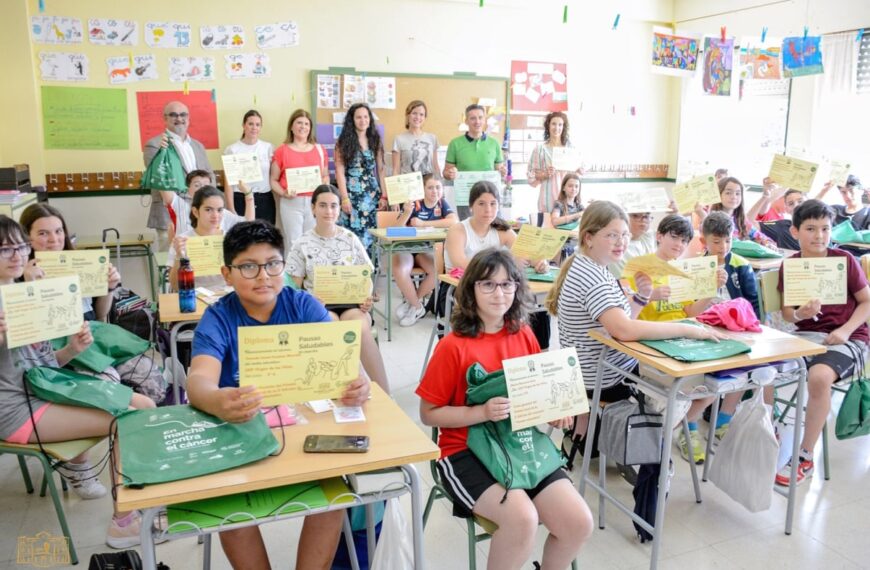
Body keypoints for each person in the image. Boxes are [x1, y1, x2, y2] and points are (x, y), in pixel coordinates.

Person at [187, 220, 371, 569]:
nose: (263, 276)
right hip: (242, 436)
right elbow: (198, 381)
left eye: (272, 264)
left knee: (333, 502)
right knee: (234, 518)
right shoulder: (218, 317)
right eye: (248, 267)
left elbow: (344, 363)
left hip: (304, 435)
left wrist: (357, 382)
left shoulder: (302, 305)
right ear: (227, 273)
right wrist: (217, 401)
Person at [418, 248, 593, 570]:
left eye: (507, 284)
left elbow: (534, 398)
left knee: (578, 522)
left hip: (518, 441)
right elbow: (428, 413)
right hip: (462, 450)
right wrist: (480, 413)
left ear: (518, 288)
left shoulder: (523, 333)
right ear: (470, 289)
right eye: (488, 285)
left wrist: (554, 413)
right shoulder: (452, 346)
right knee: (522, 520)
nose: (499, 293)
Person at [0, 215, 156, 548]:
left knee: (144, 405)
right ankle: (125, 520)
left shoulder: (25, 294)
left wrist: (73, 348)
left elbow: (43, 364)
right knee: (126, 419)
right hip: (15, 410)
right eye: (4, 249)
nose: (15, 256)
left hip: (44, 389)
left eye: (19, 247)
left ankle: (141, 502)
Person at [545, 202, 727, 460]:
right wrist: (687, 331)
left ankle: (648, 441)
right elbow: (624, 329)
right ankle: (652, 446)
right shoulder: (593, 277)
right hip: (605, 376)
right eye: (611, 235)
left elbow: (620, 320)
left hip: (601, 366)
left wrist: (642, 297)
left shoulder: (593, 267)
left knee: (692, 380)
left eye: (624, 235)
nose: (621, 242)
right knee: (697, 385)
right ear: (589, 237)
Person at [20, 203, 168, 405]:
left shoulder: (80, 264)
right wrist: (28, 286)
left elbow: (100, 315)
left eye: (58, 231)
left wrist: (108, 288)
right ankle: (115, 427)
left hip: (94, 342)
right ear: (28, 238)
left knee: (153, 381)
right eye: (43, 233)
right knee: (111, 386)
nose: (54, 239)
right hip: (60, 354)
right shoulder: (20, 277)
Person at [775, 199, 870, 486]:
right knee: (761, 367)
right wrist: (799, 313)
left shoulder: (844, 260)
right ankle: (770, 430)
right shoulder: (790, 266)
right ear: (795, 231)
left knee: (818, 378)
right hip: (804, 336)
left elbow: (866, 302)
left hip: (848, 338)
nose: (819, 235)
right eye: (811, 228)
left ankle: (804, 454)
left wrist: (845, 329)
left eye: (825, 229)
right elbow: (787, 313)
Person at [625, 214, 725, 464]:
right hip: (650, 340)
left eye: (684, 240)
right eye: (674, 237)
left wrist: (708, 290)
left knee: (714, 384)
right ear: (659, 236)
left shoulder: (683, 271)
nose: (679, 245)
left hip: (683, 335)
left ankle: (683, 423)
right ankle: (671, 432)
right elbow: (625, 312)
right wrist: (649, 295)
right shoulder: (638, 266)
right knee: (683, 386)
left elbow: (691, 313)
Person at [286, 185, 389, 393]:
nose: (328, 211)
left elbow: (365, 275)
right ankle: (341, 392)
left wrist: (367, 297)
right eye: (322, 205)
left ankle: (386, 394)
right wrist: (310, 300)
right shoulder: (302, 243)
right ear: (313, 208)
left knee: (358, 327)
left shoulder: (349, 238)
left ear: (339, 209)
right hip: (320, 306)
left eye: (333, 206)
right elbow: (293, 289)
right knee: (331, 326)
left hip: (352, 304)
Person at [445, 181, 551, 349]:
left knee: (530, 298)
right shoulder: (458, 230)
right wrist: (504, 267)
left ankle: (536, 349)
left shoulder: (502, 230)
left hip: (494, 287)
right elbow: (460, 262)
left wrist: (539, 261)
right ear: (471, 206)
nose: (488, 210)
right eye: (481, 203)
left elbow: (526, 253)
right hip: (461, 287)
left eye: (493, 204)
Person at [699, 211, 762, 442]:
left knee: (745, 367)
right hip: (704, 326)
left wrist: (754, 327)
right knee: (705, 373)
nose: (722, 246)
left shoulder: (740, 264)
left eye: (728, 240)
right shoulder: (696, 265)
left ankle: (723, 418)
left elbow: (752, 303)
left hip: (737, 327)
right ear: (703, 240)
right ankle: (694, 424)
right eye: (716, 241)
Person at [144, 101, 213, 252]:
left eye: (183, 114)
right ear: (165, 118)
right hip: (170, 214)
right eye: (173, 115)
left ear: (188, 118)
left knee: (199, 261)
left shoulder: (198, 146)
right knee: (169, 264)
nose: (179, 118)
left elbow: (210, 176)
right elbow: (160, 179)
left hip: (199, 213)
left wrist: (209, 203)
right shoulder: (154, 145)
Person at [393, 174, 458, 327]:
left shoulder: (441, 204)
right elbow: (395, 230)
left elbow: (453, 221)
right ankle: (417, 306)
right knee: (400, 270)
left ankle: (412, 304)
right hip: (406, 249)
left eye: (438, 187)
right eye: (430, 187)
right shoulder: (413, 203)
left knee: (438, 270)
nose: (434, 191)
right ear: (422, 190)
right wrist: (407, 213)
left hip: (425, 250)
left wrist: (423, 223)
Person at [270, 109, 330, 254]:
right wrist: (284, 193)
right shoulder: (281, 151)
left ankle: (310, 275)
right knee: (293, 242)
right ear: (291, 126)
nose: (303, 127)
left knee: (314, 241)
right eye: (299, 123)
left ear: (310, 128)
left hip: (314, 203)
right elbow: (273, 180)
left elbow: (325, 176)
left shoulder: (319, 150)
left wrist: (322, 188)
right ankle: (293, 276)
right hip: (291, 203)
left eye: (306, 124)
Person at [167, 186, 248, 291]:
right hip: (194, 298)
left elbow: (243, 278)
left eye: (219, 210)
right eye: (208, 210)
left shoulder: (231, 240)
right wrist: (179, 256)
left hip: (226, 297)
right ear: (195, 212)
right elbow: (175, 286)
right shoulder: (182, 241)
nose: (215, 215)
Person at [335, 103, 387, 252]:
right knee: (351, 238)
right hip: (351, 197)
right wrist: (344, 198)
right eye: (358, 117)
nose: (362, 120)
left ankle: (370, 273)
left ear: (370, 119)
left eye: (366, 117)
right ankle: (352, 274)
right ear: (352, 120)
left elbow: (381, 169)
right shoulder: (342, 142)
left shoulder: (375, 140)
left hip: (372, 197)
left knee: (371, 237)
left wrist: (384, 196)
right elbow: (339, 171)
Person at [443, 104, 506, 218]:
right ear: (466, 121)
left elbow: (500, 170)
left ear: (485, 119)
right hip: (465, 198)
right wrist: (450, 173)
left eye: (480, 117)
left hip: (490, 198)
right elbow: (446, 173)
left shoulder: (494, 143)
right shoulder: (455, 144)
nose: (477, 121)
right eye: (472, 118)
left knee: (495, 229)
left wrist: (503, 172)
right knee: (468, 231)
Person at [162, 174, 252, 241]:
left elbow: (248, 223)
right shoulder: (180, 204)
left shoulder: (220, 212)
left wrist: (248, 194)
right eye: (197, 185)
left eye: (206, 185)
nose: (202, 188)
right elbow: (162, 183)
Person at [223, 110, 276, 224]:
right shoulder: (232, 149)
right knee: (244, 237)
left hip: (264, 199)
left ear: (261, 127)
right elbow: (228, 183)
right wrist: (231, 208)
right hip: (240, 199)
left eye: (257, 125)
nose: (254, 127)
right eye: (250, 124)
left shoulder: (268, 148)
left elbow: (274, 176)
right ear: (244, 125)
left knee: (265, 237)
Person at [529, 111, 582, 225]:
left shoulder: (571, 149)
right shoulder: (540, 149)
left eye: (560, 124)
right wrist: (544, 174)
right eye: (553, 124)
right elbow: (531, 175)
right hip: (548, 200)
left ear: (564, 127)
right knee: (548, 236)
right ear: (548, 126)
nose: (556, 127)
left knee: (569, 236)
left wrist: (579, 170)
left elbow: (578, 171)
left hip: (569, 201)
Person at [698, 177, 777, 249]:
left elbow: (762, 238)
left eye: (738, 193)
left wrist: (767, 244)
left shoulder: (740, 221)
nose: (734, 197)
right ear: (719, 195)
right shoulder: (707, 219)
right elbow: (716, 242)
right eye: (728, 193)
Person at [391, 99, 440, 176]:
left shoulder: (432, 138)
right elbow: (396, 170)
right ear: (408, 115)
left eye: (421, 114)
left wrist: (439, 183)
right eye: (414, 113)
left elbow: (435, 166)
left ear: (425, 118)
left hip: (428, 185)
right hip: (408, 185)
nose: (418, 117)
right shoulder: (399, 139)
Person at [607, 211, 656, 279]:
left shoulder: (647, 237)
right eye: (635, 216)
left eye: (646, 216)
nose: (643, 220)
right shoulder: (614, 244)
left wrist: (672, 212)